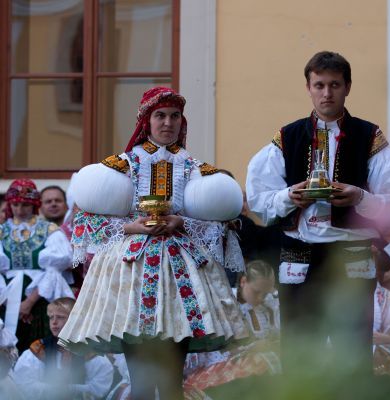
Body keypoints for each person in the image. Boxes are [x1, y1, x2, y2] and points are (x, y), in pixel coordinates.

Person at [58, 86, 248, 400]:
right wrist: (132, 226)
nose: (168, 123)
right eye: (160, 115)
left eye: (175, 116)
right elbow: (87, 216)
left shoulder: (193, 167)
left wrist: (181, 222)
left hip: (180, 270)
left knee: (174, 380)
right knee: (142, 379)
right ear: (147, 120)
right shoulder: (123, 164)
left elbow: (223, 219)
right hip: (132, 269)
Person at [246, 51, 390, 379]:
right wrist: (289, 196)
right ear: (308, 88)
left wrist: (360, 198)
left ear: (348, 87)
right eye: (319, 85)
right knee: (297, 346)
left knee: (352, 346)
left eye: (334, 84)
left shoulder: (370, 138)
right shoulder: (288, 137)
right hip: (300, 254)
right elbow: (258, 198)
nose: (327, 93)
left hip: (349, 255)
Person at [184, 260, 280, 395]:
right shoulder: (221, 304)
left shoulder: (267, 306)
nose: (260, 298)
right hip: (210, 373)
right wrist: (247, 350)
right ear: (243, 281)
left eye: (265, 294)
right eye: (256, 291)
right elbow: (203, 354)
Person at [0, 179, 74, 353]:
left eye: (25, 205)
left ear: (34, 204)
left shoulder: (48, 229)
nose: (20, 210)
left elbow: (53, 271)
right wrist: (7, 301)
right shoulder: (2, 231)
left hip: (40, 298)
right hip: (6, 298)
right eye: (16, 204)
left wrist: (28, 302)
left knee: (38, 346)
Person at [12, 297, 114, 399]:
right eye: (51, 317)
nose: (54, 322)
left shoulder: (90, 352)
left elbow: (100, 388)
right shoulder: (39, 349)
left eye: (60, 317)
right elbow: (24, 383)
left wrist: (69, 389)